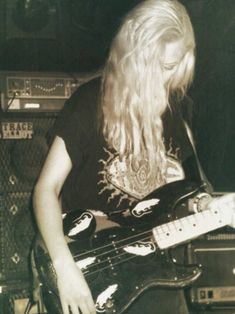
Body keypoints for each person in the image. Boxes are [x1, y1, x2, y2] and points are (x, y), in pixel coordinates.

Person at [32, 1, 235, 314]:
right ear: (131, 58)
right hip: (91, 268)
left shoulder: (176, 112)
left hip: (156, 273)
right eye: (154, 65)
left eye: (171, 66)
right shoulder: (89, 104)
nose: (162, 78)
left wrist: (209, 207)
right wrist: (64, 268)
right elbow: (47, 189)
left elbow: (190, 192)